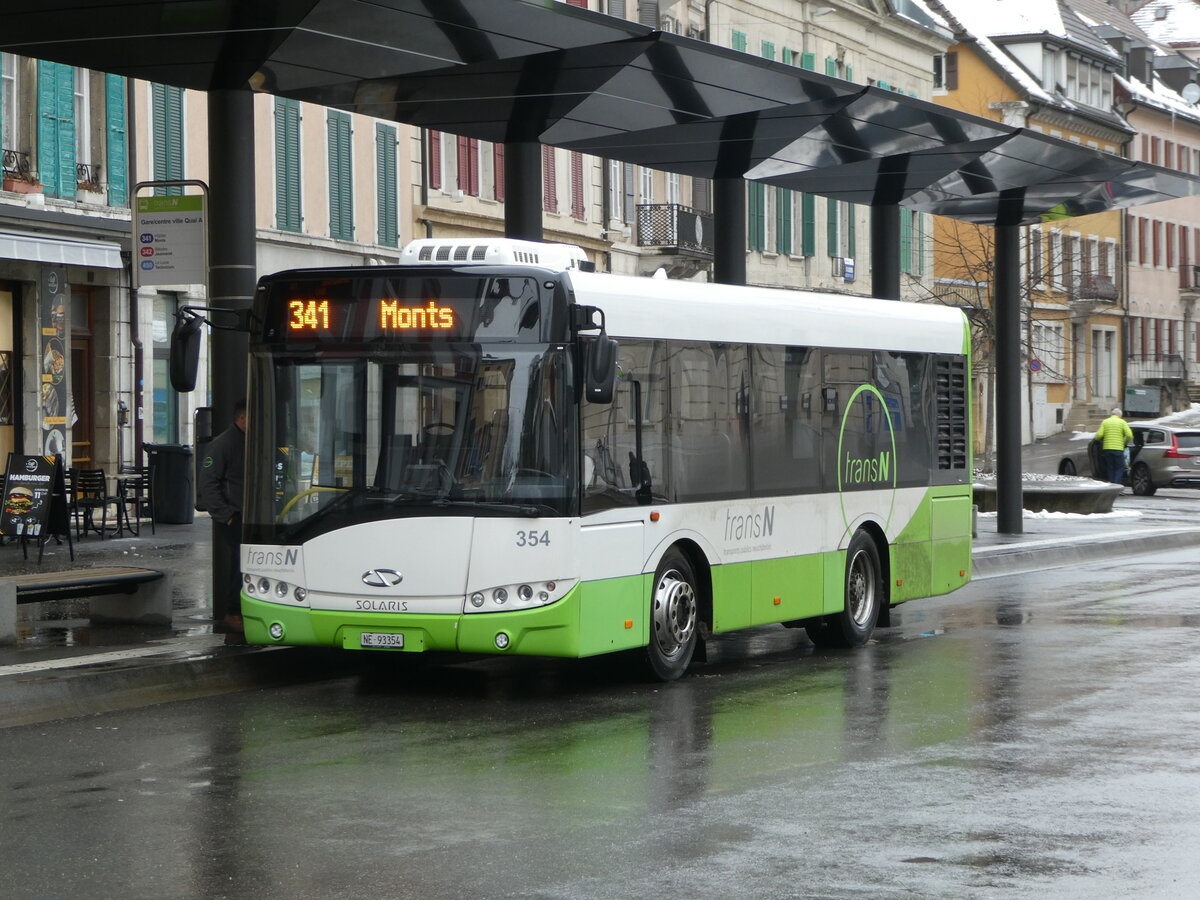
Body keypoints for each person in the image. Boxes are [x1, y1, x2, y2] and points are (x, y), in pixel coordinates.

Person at [198, 399, 246, 641]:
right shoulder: (223, 444)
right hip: (235, 516)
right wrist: (226, 516)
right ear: (242, 418)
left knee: (245, 564)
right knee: (240, 564)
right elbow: (208, 483)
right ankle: (233, 613)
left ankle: (240, 613)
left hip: (247, 515)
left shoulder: (249, 441)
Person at [1095, 406, 1133, 485]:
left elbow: (1098, 435)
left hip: (1107, 449)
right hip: (1118, 449)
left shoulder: (1105, 422)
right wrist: (1125, 443)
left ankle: (1111, 486)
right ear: (1120, 415)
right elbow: (1129, 435)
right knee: (1119, 468)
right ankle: (1117, 486)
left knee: (1110, 468)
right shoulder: (1122, 422)